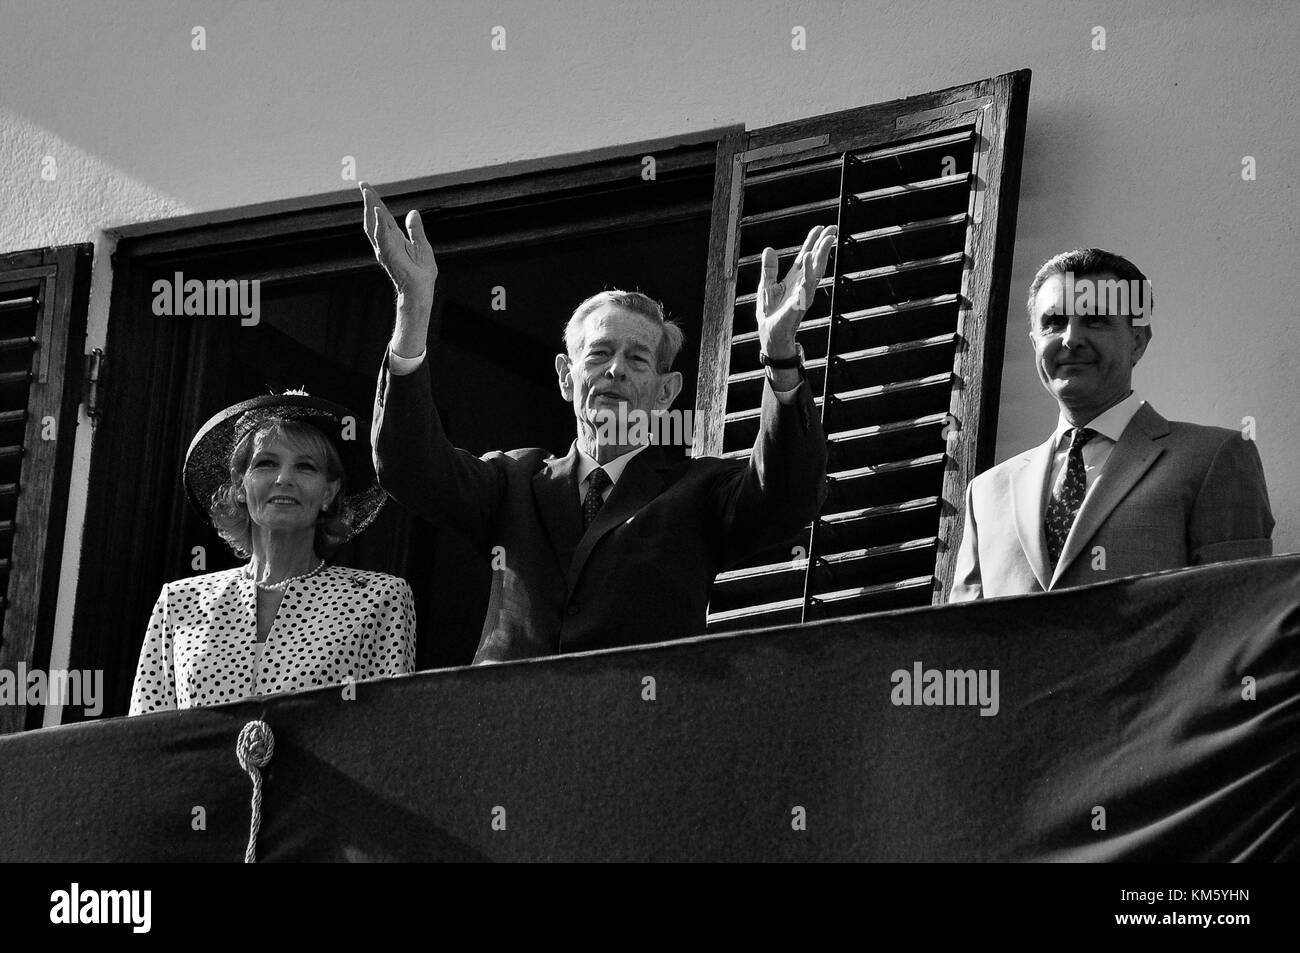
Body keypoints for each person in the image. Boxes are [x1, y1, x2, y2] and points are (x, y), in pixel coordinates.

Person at [360, 182, 831, 662]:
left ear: (667, 393)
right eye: (599, 354)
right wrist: (413, 307)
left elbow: (789, 495)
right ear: (567, 376)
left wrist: (779, 354)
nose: (616, 370)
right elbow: (410, 466)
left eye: (638, 359)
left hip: (639, 724)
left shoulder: (698, 490)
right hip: (509, 727)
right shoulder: (513, 481)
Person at [950, 248, 1274, 601]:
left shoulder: (1214, 459)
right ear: (1035, 343)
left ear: (1137, 341)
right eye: (1054, 322)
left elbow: (1235, 622)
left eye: (1095, 320)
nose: (1071, 339)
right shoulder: (985, 494)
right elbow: (963, 639)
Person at [128, 392, 416, 713]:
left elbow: (387, 735)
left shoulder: (379, 599)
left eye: (305, 467)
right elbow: (146, 741)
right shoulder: (179, 603)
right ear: (239, 485)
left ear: (329, 493)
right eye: (266, 463)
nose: (283, 479)